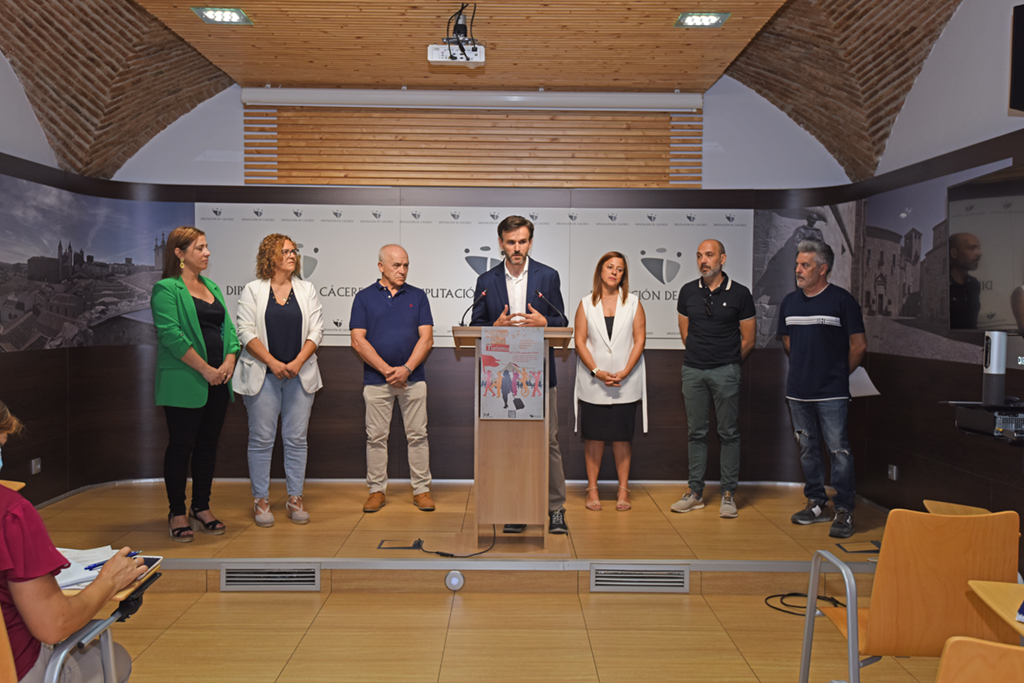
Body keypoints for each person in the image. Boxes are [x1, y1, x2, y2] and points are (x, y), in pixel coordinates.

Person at [0, 400, 147, 682]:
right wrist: (108, 582)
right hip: (14, 669)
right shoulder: (11, 514)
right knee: (114, 658)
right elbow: (54, 625)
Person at [471, 215, 569, 534]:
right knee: (507, 443)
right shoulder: (486, 281)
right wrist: (493, 327)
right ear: (501, 243)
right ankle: (515, 507)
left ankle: (555, 509)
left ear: (530, 242)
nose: (517, 248)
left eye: (522, 241)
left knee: (548, 441)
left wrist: (545, 324)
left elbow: (562, 323)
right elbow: (474, 326)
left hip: (539, 374)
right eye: (511, 242)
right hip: (500, 377)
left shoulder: (548, 276)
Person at [151, 226, 240, 542]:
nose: (207, 253)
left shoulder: (212, 285)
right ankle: (177, 512)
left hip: (219, 381)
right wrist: (205, 369)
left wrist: (228, 361)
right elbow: (171, 336)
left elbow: (229, 329)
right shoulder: (166, 289)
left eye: (206, 246)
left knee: (207, 447)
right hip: (186, 381)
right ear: (180, 253)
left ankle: (201, 507)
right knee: (180, 447)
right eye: (200, 248)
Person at [778, 239, 867, 539]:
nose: (798, 270)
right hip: (798, 392)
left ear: (823, 269)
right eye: (797, 265)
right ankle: (816, 502)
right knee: (808, 450)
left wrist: (838, 374)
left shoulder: (842, 301)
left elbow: (859, 345)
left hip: (832, 392)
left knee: (839, 451)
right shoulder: (790, 302)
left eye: (805, 265)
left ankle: (844, 509)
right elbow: (788, 341)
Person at [235, 234, 324, 527]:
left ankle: (294, 499)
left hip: (300, 375)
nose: (292, 255)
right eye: (285, 251)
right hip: (264, 375)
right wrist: (272, 362)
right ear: (270, 257)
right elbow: (245, 331)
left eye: (293, 251)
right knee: (261, 440)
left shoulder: (306, 289)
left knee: (297, 439)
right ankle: (261, 500)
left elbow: (316, 331)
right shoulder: (253, 290)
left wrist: (297, 362)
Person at [671, 240, 756, 518]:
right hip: (693, 370)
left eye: (709, 255)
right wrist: (702, 357)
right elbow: (686, 334)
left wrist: (728, 362)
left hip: (726, 371)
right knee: (696, 432)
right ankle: (695, 493)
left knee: (728, 433)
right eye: (699, 256)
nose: (703, 260)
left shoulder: (740, 294)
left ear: (723, 258)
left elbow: (749, 338)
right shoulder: (687, 292)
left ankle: (728, 493)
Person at [350, 244, 435, 513]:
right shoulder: (364, 298)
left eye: (406, 265)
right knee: (375, 438)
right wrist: (387, 370)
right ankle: (376, 491)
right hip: (377, 381)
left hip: (413, 379)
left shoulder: (418, 296)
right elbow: (357, 340)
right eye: (396, 265)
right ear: (381, 267)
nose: (402, 270)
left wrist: (406, 369)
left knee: (418, 436)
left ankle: (421, 490)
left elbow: (427, 338)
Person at [573, 252, 647, 512]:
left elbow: (639, 339)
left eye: (620, 269)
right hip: (594, 382)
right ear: (600, 271)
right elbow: (580, 341)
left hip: (625, 381)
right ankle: (591, 489)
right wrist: (596, 371)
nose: (614, 272)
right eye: (610, 267)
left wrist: (625, 371)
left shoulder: (634, 303)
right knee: (593, 437)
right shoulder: (585, 303)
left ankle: (623, 490)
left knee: (621, 438)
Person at [949, 232, 982, 329]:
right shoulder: (946, 285)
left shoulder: (973, 284)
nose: (979, 253)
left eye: (979, 248)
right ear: (954, 253)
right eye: (972, 248)